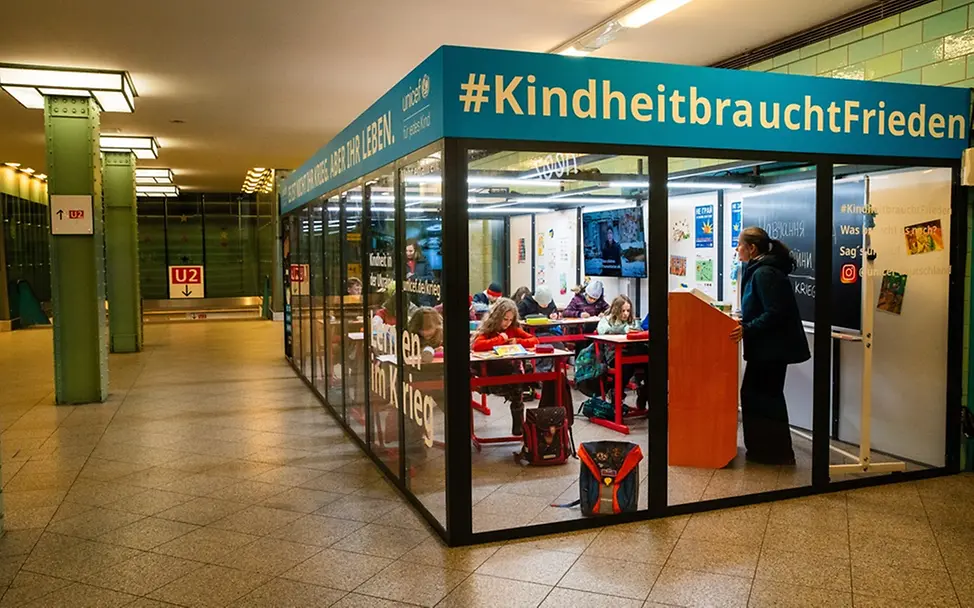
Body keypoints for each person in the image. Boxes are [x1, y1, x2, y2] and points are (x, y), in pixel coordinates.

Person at [730, 226, 810, 466]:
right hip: (767, 348)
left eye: (740, 244)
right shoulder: (760, 270)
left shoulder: (765, 273)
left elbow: (775, 312)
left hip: (771, 350)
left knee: (763, 397)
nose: (737, 249)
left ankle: (773, 453)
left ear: (752, 249)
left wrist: (747, 328)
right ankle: (766, 450)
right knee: (760, 397)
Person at [471, 298, 539, 435]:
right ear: (497, 317)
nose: (507, 323)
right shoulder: (488, 330)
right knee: (515, 379)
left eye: (510, 320)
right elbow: (477, 345)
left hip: (510, 373)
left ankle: (518, 426)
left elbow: (534, 340)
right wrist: (500, 339)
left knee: (517, 386)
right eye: (504, 319)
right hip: (491, 372)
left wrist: (517, 341)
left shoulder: (513, 329)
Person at [597, 295, 643, 403]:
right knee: (627, 366)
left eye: (628, 310)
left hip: (631, 353)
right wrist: (622, 329)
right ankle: (616, 392)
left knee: (647, 362)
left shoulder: (632, 321)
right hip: (613, 355)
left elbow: (639, 331)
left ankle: (644, 391)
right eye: (623, 311)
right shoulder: (606, 320)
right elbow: (603, 330)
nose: (626, 314)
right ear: (616, 310)